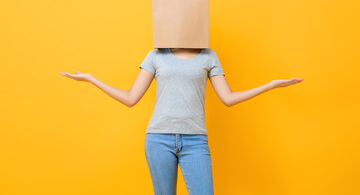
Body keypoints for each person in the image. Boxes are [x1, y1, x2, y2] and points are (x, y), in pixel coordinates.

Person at [59, 48, 304, 195]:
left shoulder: (209, 55)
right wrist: (92, 79)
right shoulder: (156, 55)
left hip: (195, 141)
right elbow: (131, 98)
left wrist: (270, 86)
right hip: (158, 139)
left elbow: (228, 98)